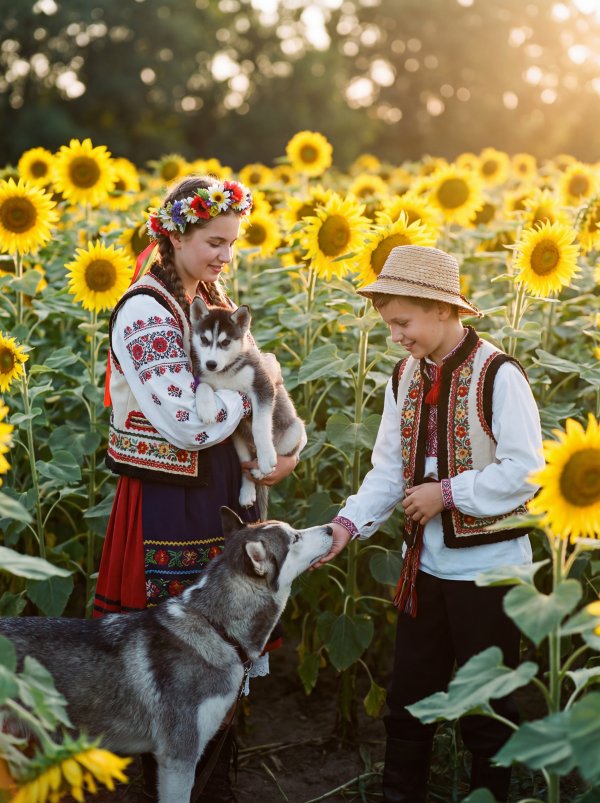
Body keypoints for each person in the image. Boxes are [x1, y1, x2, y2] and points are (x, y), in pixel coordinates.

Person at [93, 174, 297, 801]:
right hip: (167, 502)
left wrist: (282, 452)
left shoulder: (208, 297)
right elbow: (185, 421)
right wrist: (249, 406)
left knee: (228, 642)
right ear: (175, 234)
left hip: (223, 494)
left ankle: (214, 782)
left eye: (232, 243)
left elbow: (259, 378)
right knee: (165, 656)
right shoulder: (144, 309)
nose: (224, 256)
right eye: (214, 241)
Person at [315, 245, 544, 803]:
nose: (395, 335)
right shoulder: (405, 375)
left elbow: (528, 469)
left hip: (490, 571)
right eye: (389, 324)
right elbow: (389, 469)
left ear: (443, 310)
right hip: (429, 567)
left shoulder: (498, 374)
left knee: (488, 706)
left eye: (403, 322)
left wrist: (448, 493)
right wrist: (349, 524)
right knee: (410, 698)